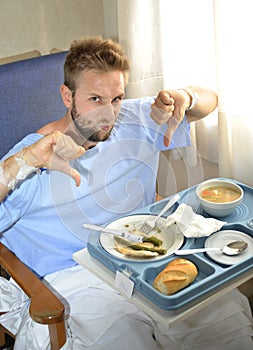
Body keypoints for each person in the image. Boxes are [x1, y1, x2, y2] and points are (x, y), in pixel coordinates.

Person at [0, 36, 252, 350]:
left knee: (225, 326)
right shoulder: (32, 154)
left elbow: (209, 100)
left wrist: (184, 96)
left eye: (116, 98)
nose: (108, 114)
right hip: (75, 279)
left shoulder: (136, 118)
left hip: (147, 260)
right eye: (95, 99)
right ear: (67, 96)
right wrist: (25, 161)